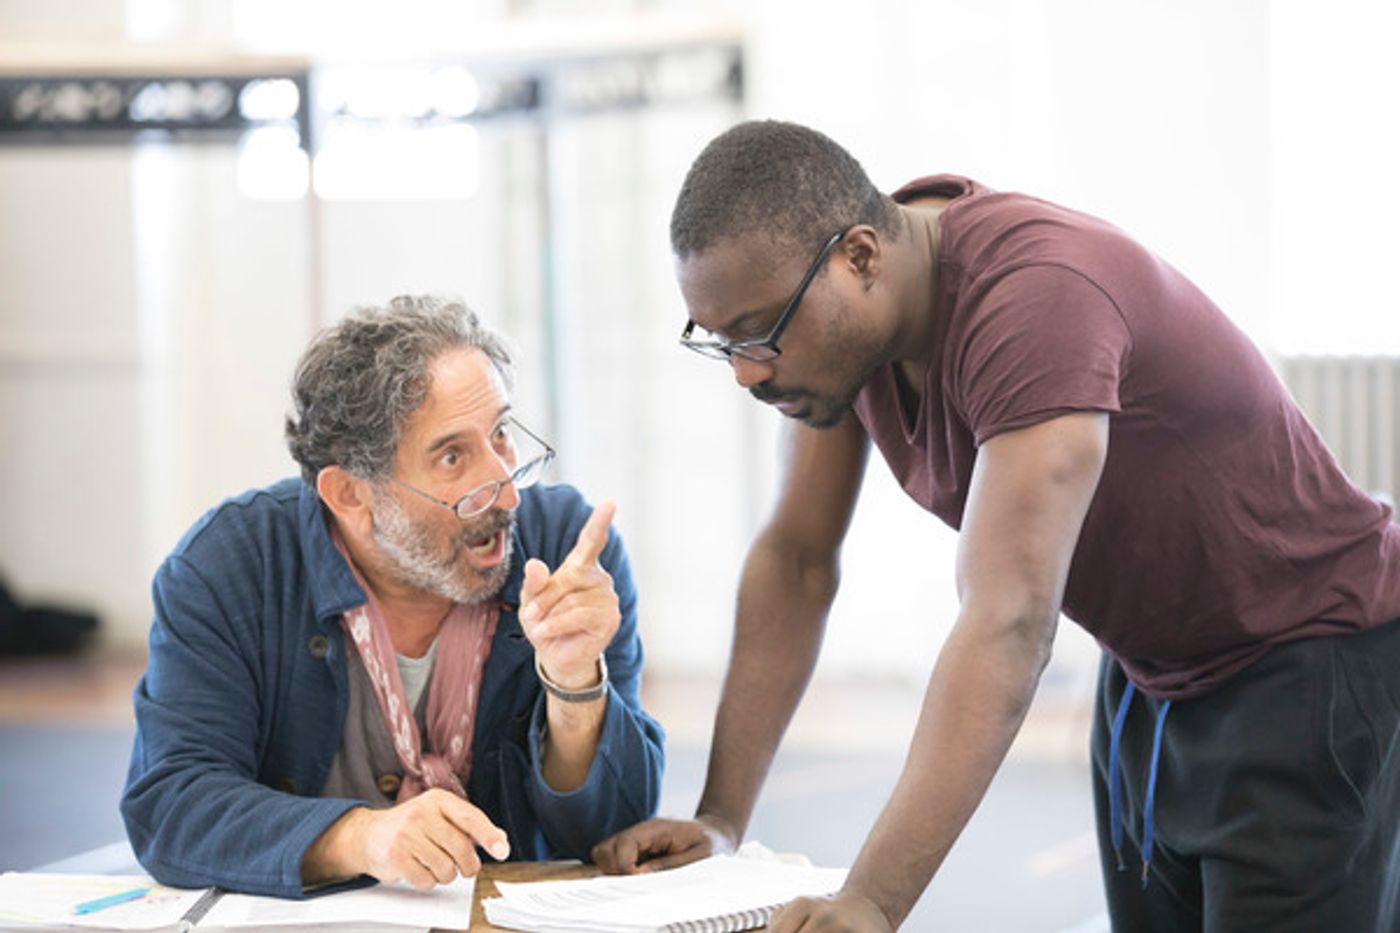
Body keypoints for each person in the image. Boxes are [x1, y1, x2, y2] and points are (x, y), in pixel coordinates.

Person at [590, 120, 1400, 932]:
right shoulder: (839, 329)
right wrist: (721, 818)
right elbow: (797, 560)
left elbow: (1009, 621)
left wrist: (872, 899)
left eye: (760, 333)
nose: (745, 371)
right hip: (1151, 678)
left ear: (862, 257)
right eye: (721, 341)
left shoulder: (1035, 303)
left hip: (1308, 665)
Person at [122, 295, 664, 898]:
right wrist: (360, 839)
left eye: (502, 434)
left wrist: (574, 688)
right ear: (350, 494)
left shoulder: (567, 550)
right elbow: (173, 807)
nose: (506, 493)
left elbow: (615, 831)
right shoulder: (231, 566)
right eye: (453, 455)